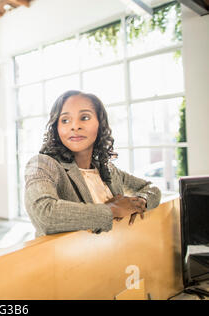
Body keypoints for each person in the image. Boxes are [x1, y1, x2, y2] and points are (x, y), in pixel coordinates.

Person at [24, 90, 161, 238]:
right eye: (65, 120)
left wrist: (140, 202)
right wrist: (111, 209)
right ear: (57, 128)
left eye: (84, 117)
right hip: (62, 259)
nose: (75, 126)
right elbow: (44, 214)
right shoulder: (42, 164)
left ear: (100, 125)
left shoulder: (108, 170)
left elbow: (152, 188)